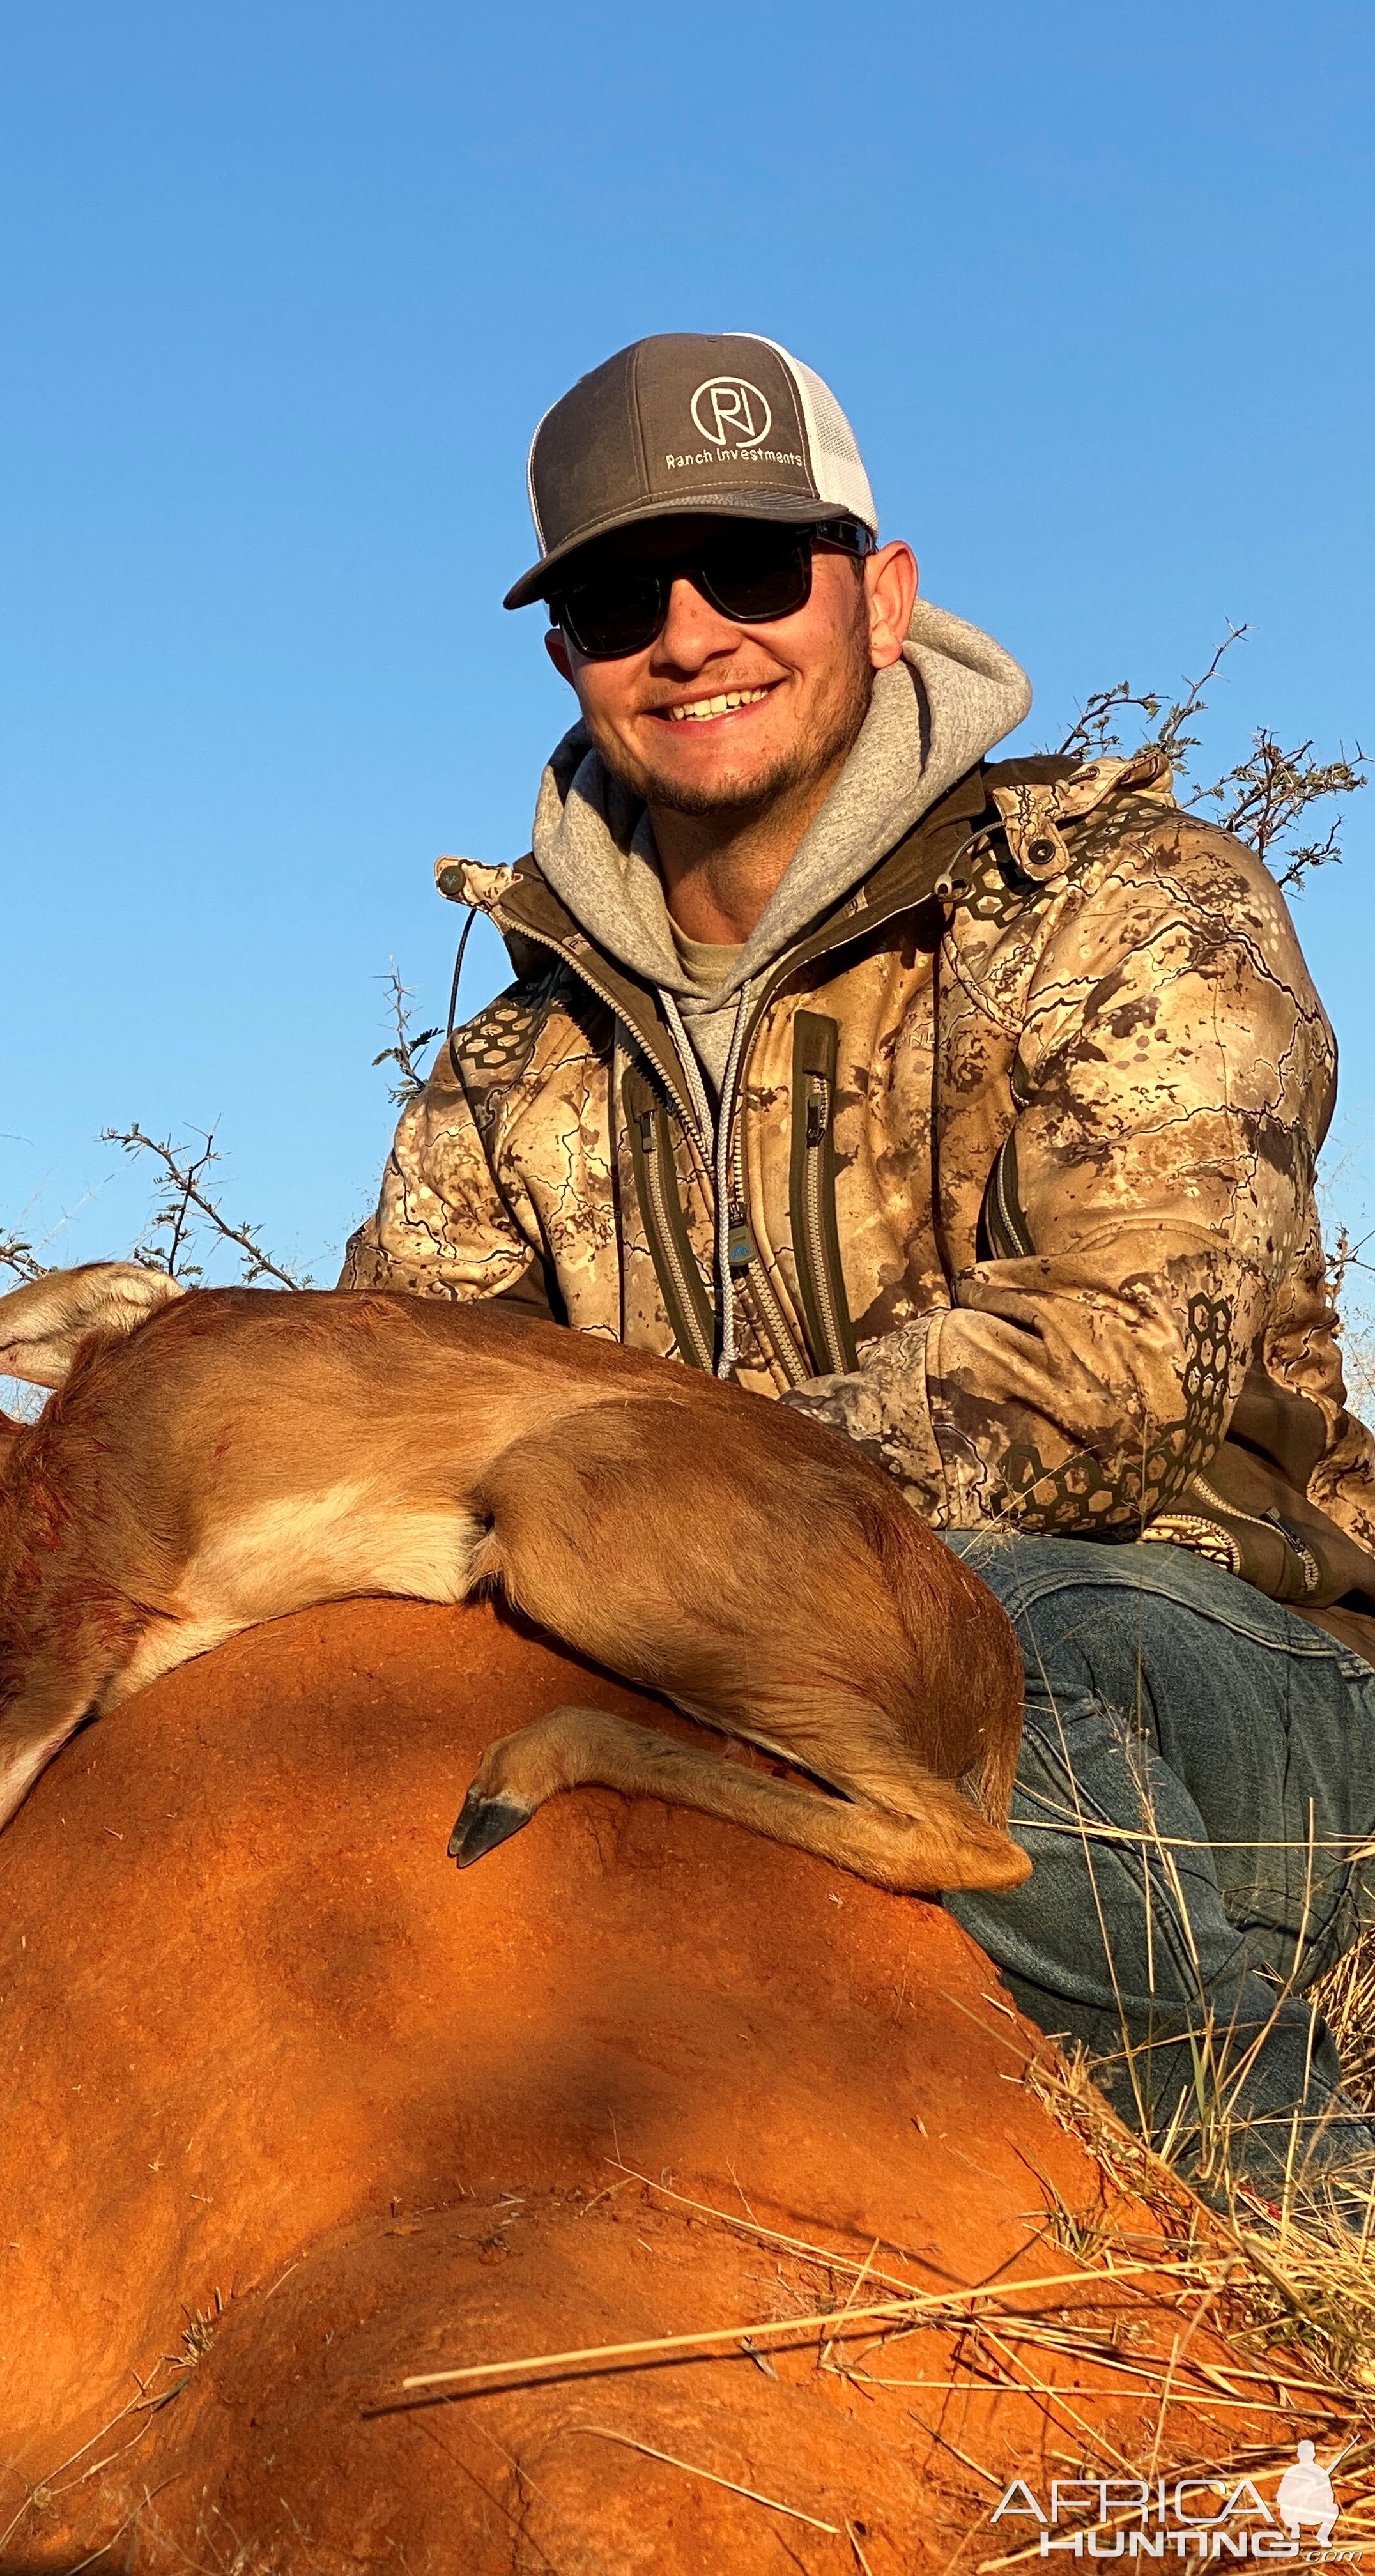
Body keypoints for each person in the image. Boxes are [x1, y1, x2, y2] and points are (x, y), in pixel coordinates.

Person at [339, 332, 1375, 2217]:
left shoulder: (1137, 903)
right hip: (712, 1687)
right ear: (565, 655)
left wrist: (643, 1527)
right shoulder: (499, 1078)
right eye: (610, 592)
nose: (687, 632)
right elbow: (387, 1429)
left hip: (1226, 1689)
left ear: (880, 597)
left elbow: (1125, 1374)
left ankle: (1306, 2216)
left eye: (751, 566)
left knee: (969, 1628)